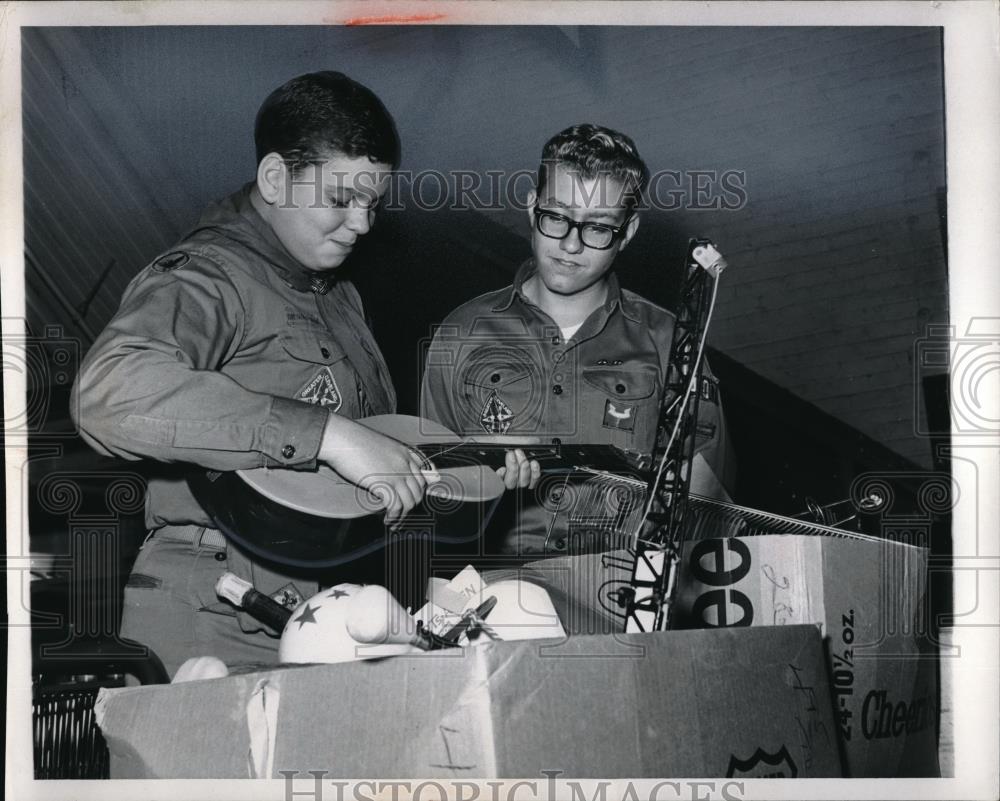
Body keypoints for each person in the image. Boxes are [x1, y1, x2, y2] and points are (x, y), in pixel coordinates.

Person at [71, 71, 438, 677]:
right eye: (342, 199)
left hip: (325, 603)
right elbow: (108, 392)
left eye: (373, 203)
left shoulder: (338, 296)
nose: (363, 224)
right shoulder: (208, 276)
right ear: (275, 179)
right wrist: (330, 435)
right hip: (217, 608)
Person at [420, 124, 734, 562]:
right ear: (532, 208)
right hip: (496, 594)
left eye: (598, 228)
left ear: (628, 232)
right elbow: (433, 500)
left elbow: (709, 506)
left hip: (625, 594)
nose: (570, 244)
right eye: (556, 217)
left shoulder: (671, 344)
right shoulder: (463, 332)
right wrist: (488, 491)